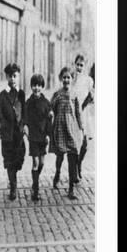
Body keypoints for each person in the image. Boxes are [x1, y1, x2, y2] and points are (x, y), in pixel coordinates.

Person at [0, 63, 27, 201]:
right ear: (6, 77)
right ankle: (13, 185)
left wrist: (24, 124)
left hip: (18, 133)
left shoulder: (22, 94)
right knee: (9, 159)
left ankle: (13, 176)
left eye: (15, 76)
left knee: (20, 157)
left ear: (18, 77)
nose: (12, 79)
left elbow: (24, 111)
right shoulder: (2, 95)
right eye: (10, 76)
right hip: (7, 133)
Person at [51, 67, 84, 200]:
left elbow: (78, 112)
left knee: (73, 155)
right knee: (60, 155)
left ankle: (71, 188)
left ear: (72, 79)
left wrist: (81, 128)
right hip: (59, 127)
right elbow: (51, 108)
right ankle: (57, 173)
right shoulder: (57, 94)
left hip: (71, 127)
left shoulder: (75, 94)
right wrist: (50, 115)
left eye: (68, 77)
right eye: (64, 77)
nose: (66, 80)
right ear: (61, 79)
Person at [24, 74, 53, 202]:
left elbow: (49, 121)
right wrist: (25, 126)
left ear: (42, 87)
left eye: (39, 85)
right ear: (31, 86)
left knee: (41, 163)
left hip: (42, 136)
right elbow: (25, 118)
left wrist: (48, 134)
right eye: (34, 85)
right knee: (35, 162)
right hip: (33, 137)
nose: (36, 88)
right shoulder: (28, 103)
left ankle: (35, 179)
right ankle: (35, 191)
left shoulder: (46, 103)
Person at [72, 54, 95, 179]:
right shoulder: (72, 79)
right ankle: (75, 168)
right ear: (74, 64)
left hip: (84, 113)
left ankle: (79, 163)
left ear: (85, 66)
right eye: (78, 64)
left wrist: (90, 98)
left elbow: (92, 98)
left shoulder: (88, 80)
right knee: (76, 142)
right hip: (75, 114)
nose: (79, 67)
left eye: (82, 65)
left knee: (85, 144)